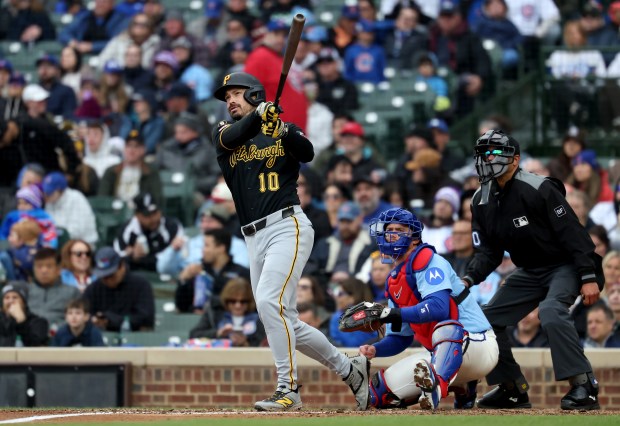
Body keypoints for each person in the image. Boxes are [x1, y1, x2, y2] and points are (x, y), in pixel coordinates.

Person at [211, 71, 370, 411]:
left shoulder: (282, 132)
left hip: (287, 226)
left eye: (236, 93)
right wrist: (258, 116)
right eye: (227, 97)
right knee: (282, 318)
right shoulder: (225, 132)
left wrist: (281, 128)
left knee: (271, 304)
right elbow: (234, 135)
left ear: (254, 94)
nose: (230, 101)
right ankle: (349, 369)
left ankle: (288, 389)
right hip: (252, 235)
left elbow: (308, 152)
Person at [462, 129, 602, 410]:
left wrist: (587, 276)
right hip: (530, 270)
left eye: (495, 152)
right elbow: (489, 253)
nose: (487, 159)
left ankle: (584, 385)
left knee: (551, 311)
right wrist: (466, 279)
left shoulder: (539, 188)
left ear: (515, 160)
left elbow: (574, 235)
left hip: (565, 264)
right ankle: (512, 388)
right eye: (483, 153)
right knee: (485, 320)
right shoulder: (480, 200)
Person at [358, 207, 498, 410]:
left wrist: (390, 314)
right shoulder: (394, 282)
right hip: (444, 356)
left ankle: (437, 388)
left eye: (399, 229)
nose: (392, 234)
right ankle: (463, 387)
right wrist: (374, 350)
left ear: (414, 238)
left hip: (478, 345)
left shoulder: (429, 260)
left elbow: (439, 308)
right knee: (380, 395)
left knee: (446, 327)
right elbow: (400, 338)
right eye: (388, 230)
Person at [83, 246, 155, 332]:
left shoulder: (140, 285)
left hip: (134, 339)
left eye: (111, 275)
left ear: (122, 267)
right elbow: (83, 313)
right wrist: (96, 320)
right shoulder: (94, 288)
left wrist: (112, 320)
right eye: (103, 276)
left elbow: (146, 318)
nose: (107, 280)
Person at [113, 192, 184, 272]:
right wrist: (131, 257)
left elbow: (178, 258)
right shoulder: (127, 231)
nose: (153, 218)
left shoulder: (173, 226)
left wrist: (139, 259)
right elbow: (116, 260)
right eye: (147, 215)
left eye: (155, 213)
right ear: (137, 215)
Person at [28, 247, 81, 330]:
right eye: (39, 266)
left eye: (49, 266)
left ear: (58, 269)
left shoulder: (72, 292)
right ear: (33, 269)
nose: (44, 270)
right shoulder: (26, 291)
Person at [43, 171, 99, 247]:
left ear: (60, 191)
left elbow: (78, 231)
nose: (46, 195)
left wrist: (57, 234)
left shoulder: (76, 198)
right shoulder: (49, 202)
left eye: (49, 193)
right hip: (59, 243)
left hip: (83, 243)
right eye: (45, 192)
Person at [0, 281, 49, 347]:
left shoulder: (38, 322)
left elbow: (35, 345)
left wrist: (21, 322)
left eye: (15, 297)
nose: (10, 301)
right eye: (7, 297)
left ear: (24, 302)